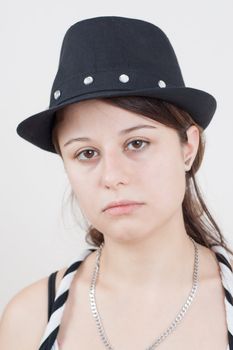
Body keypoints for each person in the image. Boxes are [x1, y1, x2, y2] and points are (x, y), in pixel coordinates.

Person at [0, 15, 232, 350]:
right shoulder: (28, 320)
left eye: (137, 143)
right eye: (87, 152)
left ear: (188, 147)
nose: (112, 176)